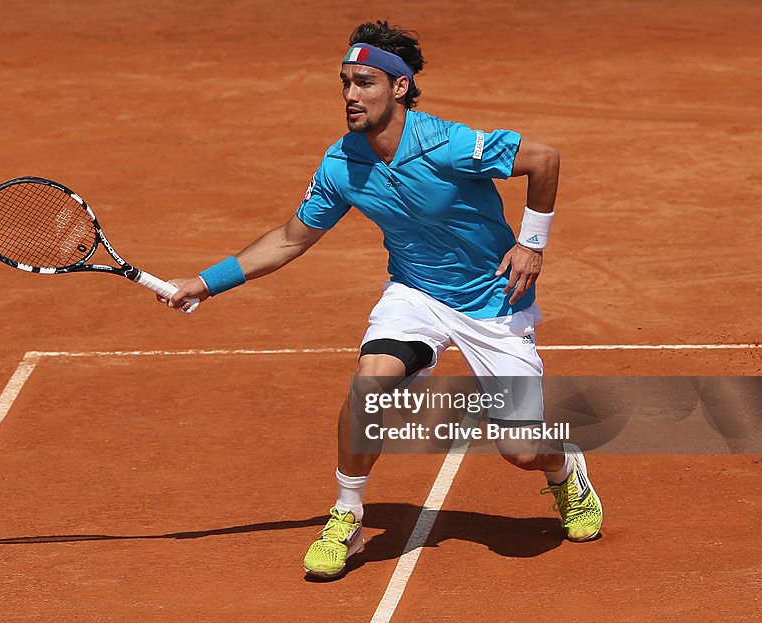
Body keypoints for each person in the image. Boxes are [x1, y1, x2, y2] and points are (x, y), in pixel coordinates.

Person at [158, 20, 603, 579]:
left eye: (364, 82)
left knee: (520, 451)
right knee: (370, 381)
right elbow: (292, 238)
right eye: (344, 82)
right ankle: (345, 514)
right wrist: (206, 281)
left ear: (398, 87)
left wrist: (530, 245)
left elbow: (545, 159)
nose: (350, 95)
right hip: (415, 293)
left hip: (495, 301)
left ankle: (564, 469)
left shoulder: (448, 144)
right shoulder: (341, 164)